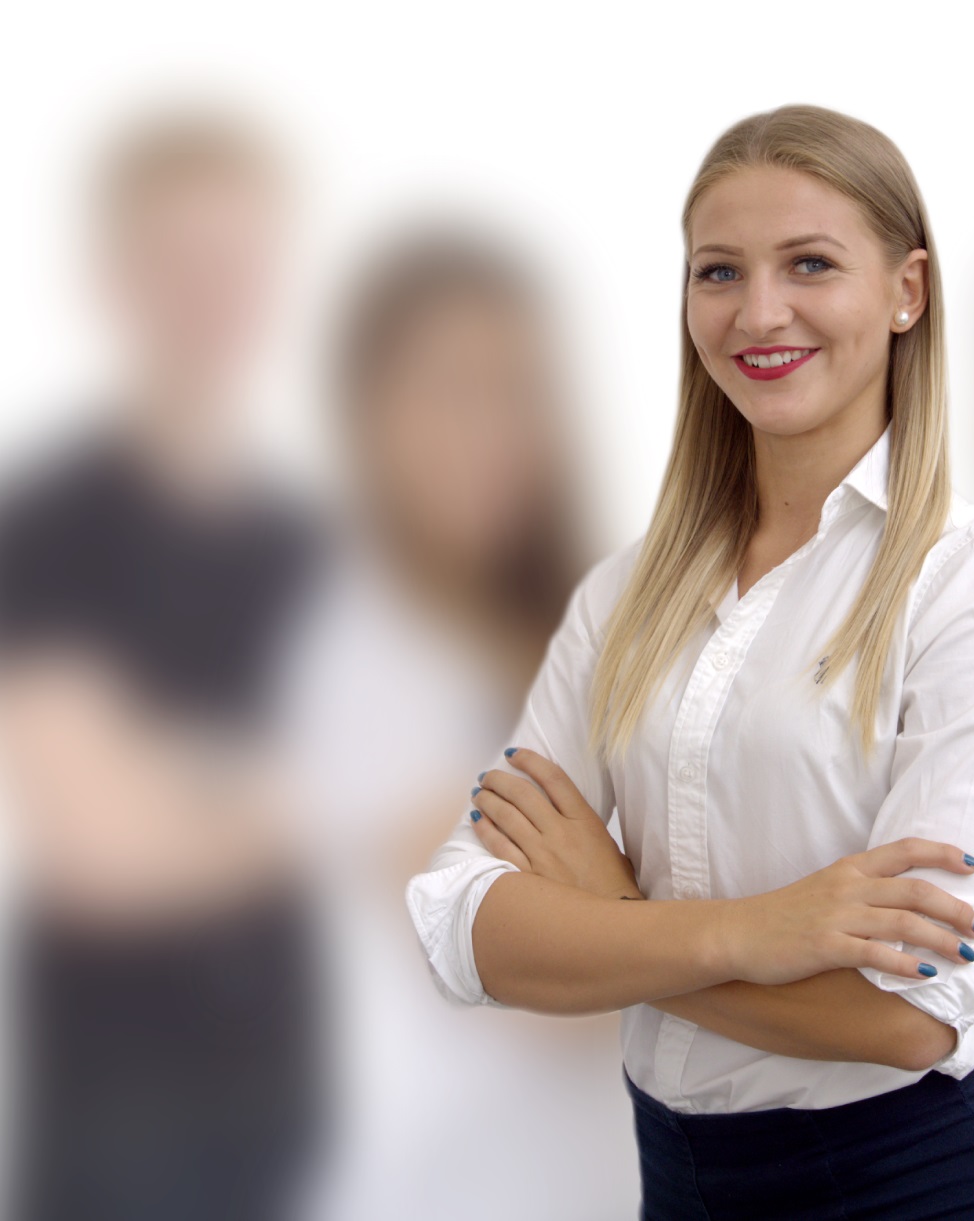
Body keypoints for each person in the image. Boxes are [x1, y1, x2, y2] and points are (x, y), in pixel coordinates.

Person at [405, 104, 974, 1220]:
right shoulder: (626, 596)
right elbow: (460, 920)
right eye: (720, 272)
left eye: (810, 263)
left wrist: (611, 917)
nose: (760, 312)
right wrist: (747, 933)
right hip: (684, 1184)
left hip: (925, 1183)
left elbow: (915, 1013)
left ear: (908, 290)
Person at [0, 106, 324, 1219]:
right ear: (114, 278)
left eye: (236, 260)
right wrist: (314, 794)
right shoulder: (48, 530)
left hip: (299, 1101)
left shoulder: (308, 542)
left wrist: (204, 788)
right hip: (126, 1125)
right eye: (179, 261)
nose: (212, 292)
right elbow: (104, 850)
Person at [281, 230, 637, 1218]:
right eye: (451, 391)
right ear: (369, 417)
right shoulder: (363, 657)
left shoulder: (598, 624)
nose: (492, 429)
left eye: (517, 390)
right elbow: (532, 969)